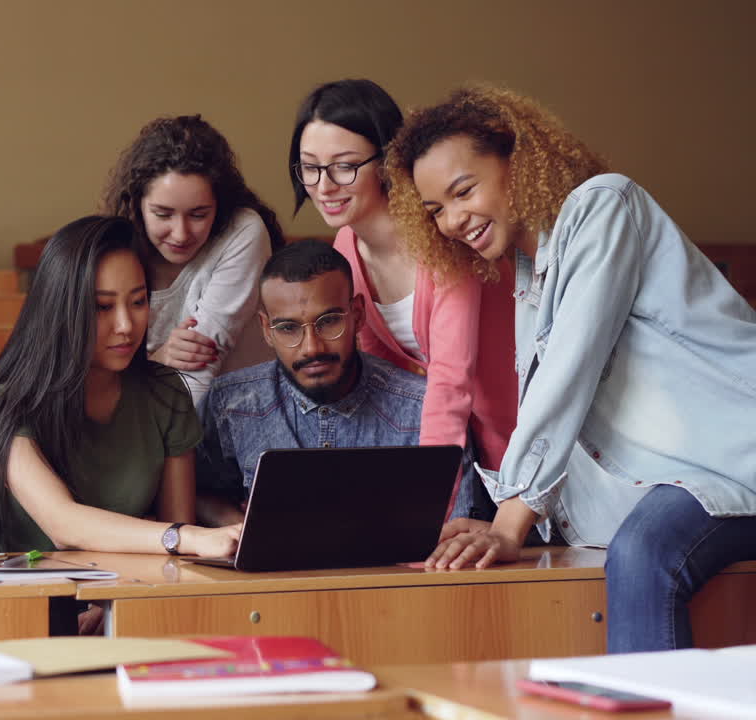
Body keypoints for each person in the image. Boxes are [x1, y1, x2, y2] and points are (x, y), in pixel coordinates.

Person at [390, 85, 756, 652]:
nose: (453, 221)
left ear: (518, 160)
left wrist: (511, 520)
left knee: (644, 549)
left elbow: (570, 372)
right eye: (436, 210)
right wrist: (506, 518)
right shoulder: (527, 270)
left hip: (735, 460)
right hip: (686, 477)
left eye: (464, 191)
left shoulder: (605, 205)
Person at [289, 80, 517, 492]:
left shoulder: (443, 239)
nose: (324, 186)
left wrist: (424, 507)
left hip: (518, 436)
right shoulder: (346, 247)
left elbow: (450, 382)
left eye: (344, 166)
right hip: (458, 456)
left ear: (387, 161)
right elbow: (386, 381)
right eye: (309, 167)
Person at [0, 215, 241, 558]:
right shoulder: (7, 405)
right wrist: (189, 537)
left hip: (128, 589)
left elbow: (176, 538)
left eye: (139, 301)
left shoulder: (165, 393)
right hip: (32, 596)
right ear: (61, 310)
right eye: (103, 307)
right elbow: (62, 524)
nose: (126, 325)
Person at [196, 239, 482, 525]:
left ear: (357, 315)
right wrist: (239, 529)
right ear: (267, 330)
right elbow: (197, 494)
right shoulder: (228, 404)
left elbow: (455, 534)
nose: (311, 348)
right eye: (288, 328)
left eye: (329, 321)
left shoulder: (422, 409)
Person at [102, 115, 284, 410]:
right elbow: (93, 371)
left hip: (240, 418)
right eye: (163, 214)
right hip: (149, 422)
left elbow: (197, 373)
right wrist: (158, 358)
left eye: (198, 215)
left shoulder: (243, 230)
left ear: (220, 206)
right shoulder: (115, 250)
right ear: (136, 205)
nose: (181, 233)